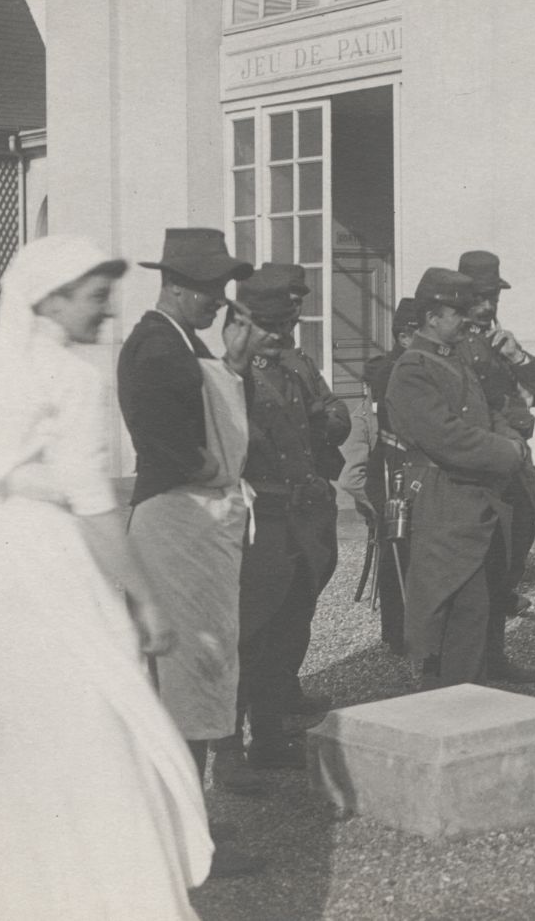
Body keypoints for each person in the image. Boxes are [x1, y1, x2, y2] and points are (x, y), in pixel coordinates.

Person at [0, 236, 211, 919]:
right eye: (95, 297)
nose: (107, 311)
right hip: (46, 562)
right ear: (51, 300)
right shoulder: (73, 380)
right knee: (76, 724)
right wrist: (149, 602)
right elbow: (94, 506)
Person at [117, 227, 266, 874]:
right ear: (175, 286)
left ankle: (185, 819)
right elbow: (173, 446)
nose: (219, 301)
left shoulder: (180, 340)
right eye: (210, 289)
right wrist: (215, 468)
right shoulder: (157, 348)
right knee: (186, 678)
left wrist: (232, 367)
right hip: (174, 522)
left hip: (191, 522)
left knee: (197, 674)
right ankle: (182, 837)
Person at [216, 264, 349, 776]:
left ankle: (269, 737)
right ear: (243, 325)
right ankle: (229, 750)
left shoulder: (290, 369)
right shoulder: (228, 378)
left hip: (297, 517)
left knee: (286, 631)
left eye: (287, 326)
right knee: (247, 637)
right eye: (271, 327)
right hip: (257, 521)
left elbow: (325, 418)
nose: (280, 336)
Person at [385, 268, 525, 689]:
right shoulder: (413, 369)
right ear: (431, 317)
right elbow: (448, 438)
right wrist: (507, 453)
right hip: (442, 502)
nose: (468, 320)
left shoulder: (454, 359)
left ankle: (469, 699)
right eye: (458, 312)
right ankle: (447, 705)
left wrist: (513, 440)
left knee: (474, 610)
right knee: (448, 606)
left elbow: (490, 414)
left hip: (473, 502)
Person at [457, 249, 535, 682]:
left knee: (510, 558)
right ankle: (466, 668)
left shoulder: (499, 340)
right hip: (478, 468)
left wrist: (517, 356)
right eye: (479, 296)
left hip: (514, 465)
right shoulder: (454, 343)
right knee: (478, 567)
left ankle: (493, 658)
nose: (487, 305)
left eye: (493, 296)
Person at [362, 296, 422, 653]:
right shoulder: (392, 370)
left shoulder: (410, 365)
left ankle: (407, 629)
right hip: (392, 467)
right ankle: (398, 633)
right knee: (398, 549)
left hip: (404, 464)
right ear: (404, 337)